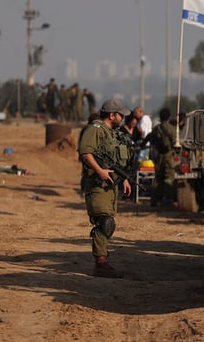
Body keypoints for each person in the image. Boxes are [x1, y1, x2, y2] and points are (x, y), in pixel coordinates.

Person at [78, 99, 133, 278]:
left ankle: (102, 260)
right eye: (121, 115)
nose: (123, 118)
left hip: (110, 185)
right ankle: (100, 263)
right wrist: (99, 170)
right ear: (112, 115)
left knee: (108, 222)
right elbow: (85, 152)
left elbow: (115, 160)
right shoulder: (96, 129)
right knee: (104, 222)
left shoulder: (112, 133)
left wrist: (123, 179)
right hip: (98, 185)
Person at [148, 108, 177, 207]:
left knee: (157, 178)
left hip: (159, 156)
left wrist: (151, 156)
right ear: (169, 117)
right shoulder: (172, 129)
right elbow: (175, 143)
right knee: (169, 177)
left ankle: (155, 199)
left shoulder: (156, 128)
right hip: (169, 155)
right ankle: (167, 198)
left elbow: (151, 143)